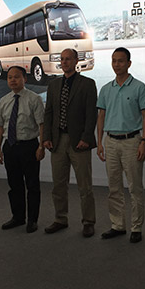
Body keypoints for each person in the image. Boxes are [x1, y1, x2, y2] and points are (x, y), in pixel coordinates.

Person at [96, 47, 145, 243]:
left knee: (135, 187)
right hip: (110, 141)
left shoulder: (139, 87)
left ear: (129, 63)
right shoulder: (105, 89)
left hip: (132, 141)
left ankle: (136, 227)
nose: (117, 64)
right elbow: (101, 116)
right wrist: (99, 142)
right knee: (114, 187)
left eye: (120, 61)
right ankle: (117, 225)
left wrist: (143, 141)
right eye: (114, 61)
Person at [43, 48, 98, 238]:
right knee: (59, 184)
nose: (65, 62)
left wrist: (86, 138)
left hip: (79, 141)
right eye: (62, 59)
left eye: (68, 59)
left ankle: (88, 222)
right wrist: (46, 137)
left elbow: (91, 114)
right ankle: (60, 219)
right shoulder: (53, 85)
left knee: (85, 186)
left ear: (76, 61)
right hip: (57, 141)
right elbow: (48, 113)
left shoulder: (87, 84)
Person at [0, 66, 45, 233]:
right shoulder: (4, 100)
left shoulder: (34, 99)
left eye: (17, 77)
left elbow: (42, 125)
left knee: (32, 185)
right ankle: (18, 217)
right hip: (10, 147)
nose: (13, 80)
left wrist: (41, 146)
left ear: (25, 78)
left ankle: (32, 220)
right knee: (14, 184)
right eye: (10, 77)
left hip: (29, 146)